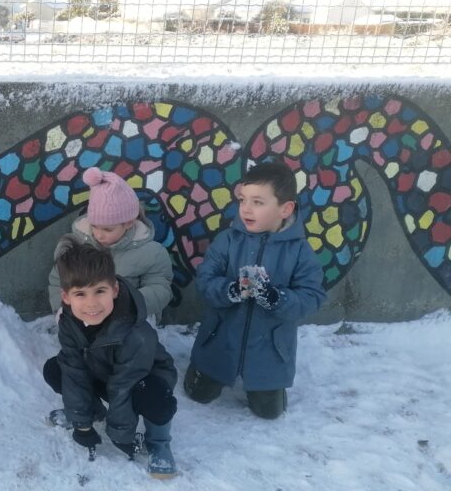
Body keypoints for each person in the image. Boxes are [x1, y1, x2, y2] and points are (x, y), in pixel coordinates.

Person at [184, 161, 326, 419]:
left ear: (285, 209)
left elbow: (312, 296)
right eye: (243, 200)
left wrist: (277, 298)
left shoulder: (299, 251)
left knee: (270, 413)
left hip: (269, 353)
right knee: (198, 395)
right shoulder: (228, 240)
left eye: (258, 202)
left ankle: (266, 390)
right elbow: (205, 280)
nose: (246, 209)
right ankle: (202, 373)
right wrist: (230, 290)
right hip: (219, 343)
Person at [44, 241, 179, 479]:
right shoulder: (68, 321)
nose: (91, 303)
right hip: (103, 371)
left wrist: (120, 435)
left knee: (156, 398)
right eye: (80, 294)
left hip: (142, 380)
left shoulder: (135, 333)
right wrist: (81, 423)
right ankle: (92, 412)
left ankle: (158, 442)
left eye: (100, 291)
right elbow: (74, 369)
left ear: (114, 290)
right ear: (66, 297)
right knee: (56, 369)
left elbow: (123, 386)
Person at [48, 168, 173, 325]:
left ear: (128, 223)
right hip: (85, 313)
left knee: (134, 342)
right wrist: (63, 309)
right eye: (94, 226)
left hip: (130, 316)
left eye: (108, 229)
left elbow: (160, 288)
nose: (99, 235)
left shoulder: (151, 252)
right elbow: (58, 279)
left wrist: (128, 304)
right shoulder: (77, 245)